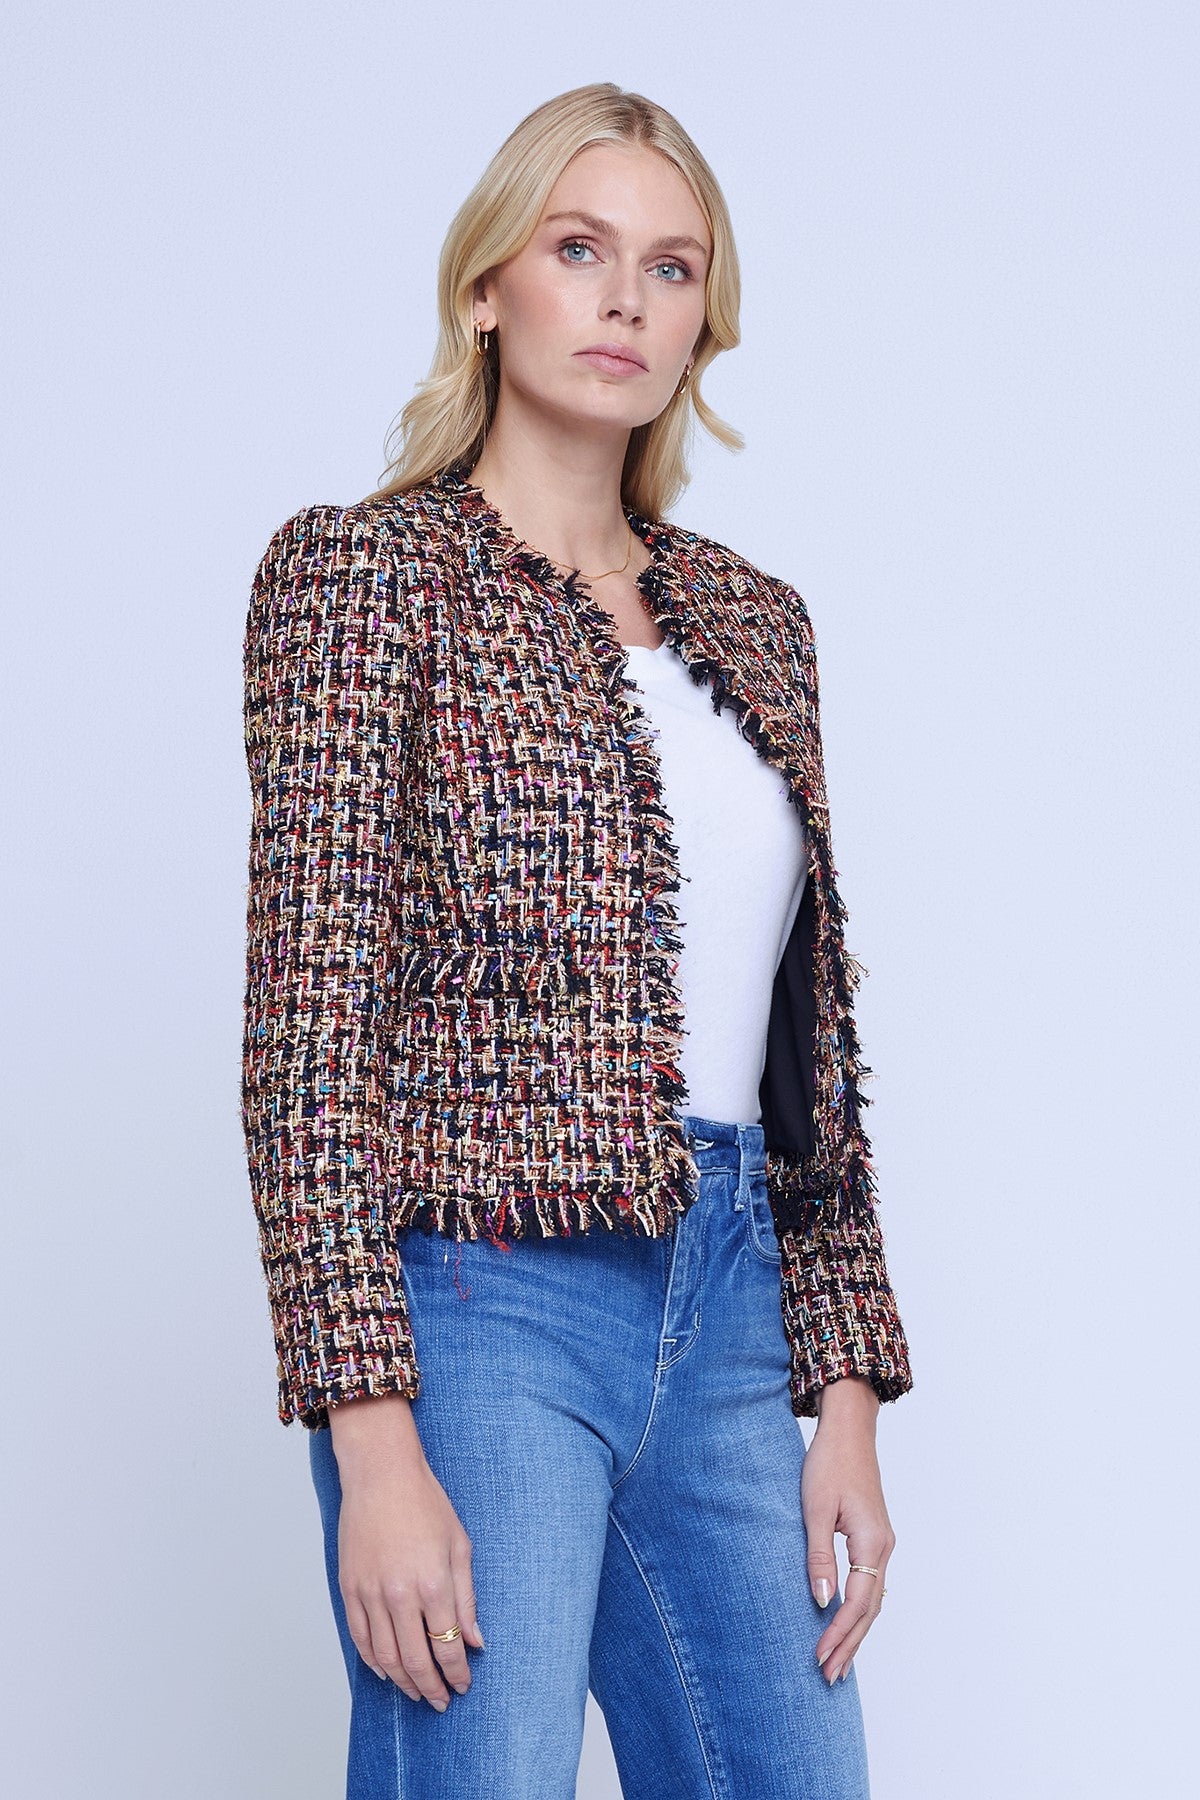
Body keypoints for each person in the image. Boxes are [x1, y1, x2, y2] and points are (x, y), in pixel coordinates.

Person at [241, 81, 914, 1800]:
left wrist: (844, 1387)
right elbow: (307, 1034)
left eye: (671, 268)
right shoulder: (364, 579)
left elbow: (806, 1043)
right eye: (578, 249)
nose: (625, 299)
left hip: (736, 1303)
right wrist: (370, 1438)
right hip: (483, 1301)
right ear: (487, 287)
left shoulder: (760, 626)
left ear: (701, 325)